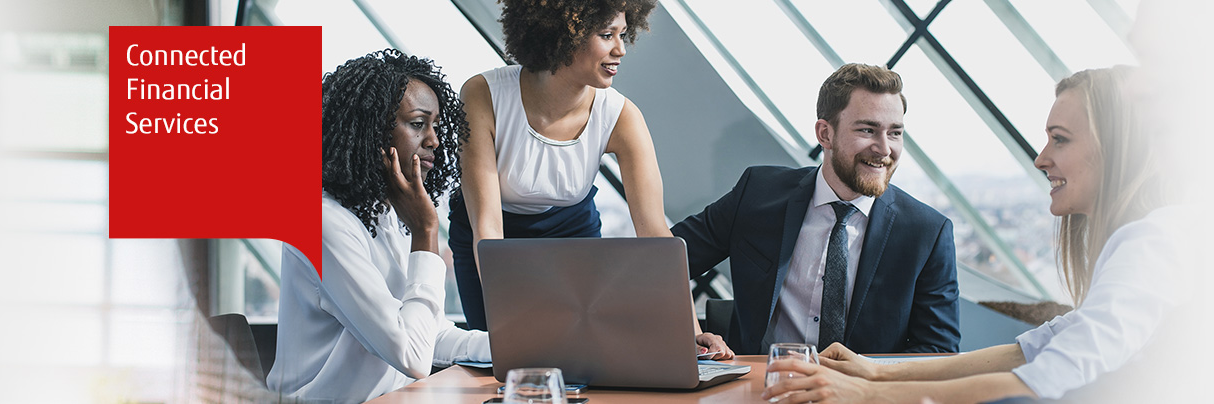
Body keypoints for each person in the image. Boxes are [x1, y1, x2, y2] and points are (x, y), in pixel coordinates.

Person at [760, 66, 1192, 403]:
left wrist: (871, 394)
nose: (1041, 159)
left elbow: (1044, 381)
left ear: (1118, 147)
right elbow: (1029, 352)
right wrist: (875, 371)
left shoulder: (1151, 245)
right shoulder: (1150, 240)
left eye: (1059, 140)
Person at [450, 0, 731, 357]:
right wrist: (509, 323)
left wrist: (689, 330)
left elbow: (656, 235)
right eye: (606, 34)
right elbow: (488, 229)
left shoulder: (622, 116)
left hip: (572, 236)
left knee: (584, 358)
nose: (621, 49)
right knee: (500, 356)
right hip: (487, 240)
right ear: (563, 32)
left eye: (624, 34)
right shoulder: (482, 95)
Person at [671, 63, 960, 356]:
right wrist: (692, 334)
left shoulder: (927, 232)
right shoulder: (757, 194)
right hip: (760, 390)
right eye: (868, 130)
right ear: (825, 134)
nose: (884, 149)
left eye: (895, 133)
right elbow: (663, 263)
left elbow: (937, 351)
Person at [267, 49, 490, 403]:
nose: (433, 140)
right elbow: (413, 355)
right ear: (371, 131)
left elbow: (430, 334)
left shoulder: (385, 212)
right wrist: (426, 232)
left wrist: (525, 347)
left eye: (436, 126)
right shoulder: (322, 223)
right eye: (418, 124)